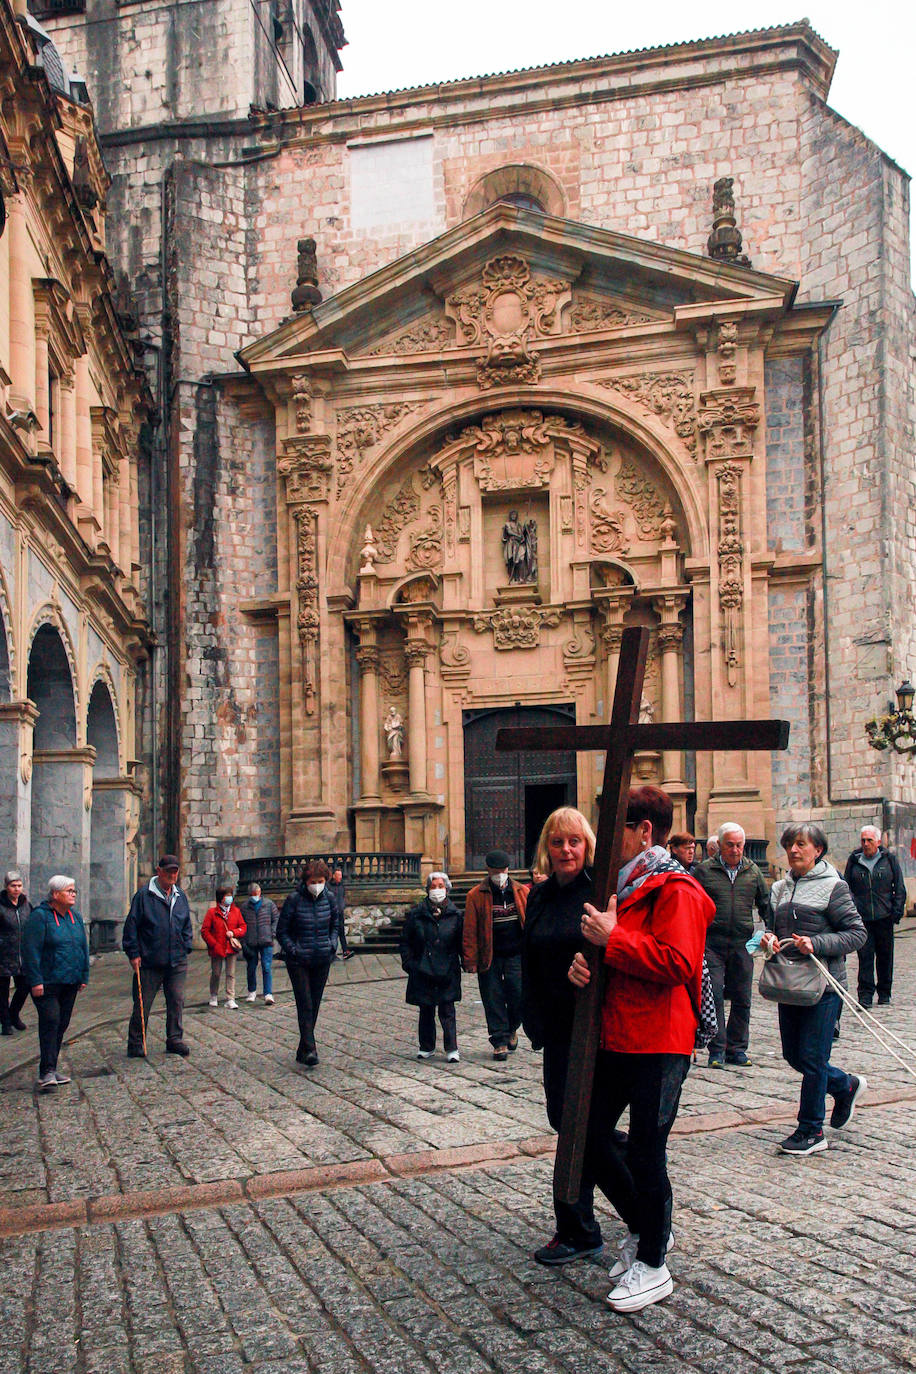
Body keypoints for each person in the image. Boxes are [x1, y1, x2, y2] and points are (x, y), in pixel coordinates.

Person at [563, 787, 715, 1313]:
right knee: (586, 1133)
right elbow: (615, 954)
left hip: (660, 1040)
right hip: (618, 1035)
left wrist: (614, 942)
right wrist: (586, 969)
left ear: (644, 830)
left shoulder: (678, 889)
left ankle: (654, 1264)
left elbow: (679, 963)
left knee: (649, 1151)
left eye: (614, 828)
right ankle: (648, 1227)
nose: (604, 840)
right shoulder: (623, 887)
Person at [762, 822, 867, 1156]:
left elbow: (856, 933)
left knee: (813, 1057)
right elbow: (766, 931)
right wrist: (766, 940)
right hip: (789, 984)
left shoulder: (834, 886)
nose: (793, 850)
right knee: (795, 1056)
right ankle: (844, 1085)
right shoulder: (778, 888)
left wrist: (817, 942)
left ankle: (811, 1130)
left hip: (824, 986)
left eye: (801, 844)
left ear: (817, 850)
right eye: (790, 844)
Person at [694, 822, 769, 1068]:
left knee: (742, 997)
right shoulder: (704, 872)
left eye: (739, 845)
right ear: (720, 845)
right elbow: (692, 904)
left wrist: (772, 933)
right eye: (730, 845)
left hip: (742, 944)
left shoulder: (753, 871)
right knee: (714, 995)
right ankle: (717, 1049)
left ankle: (737, 1048)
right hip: (712, 943)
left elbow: (766, 905)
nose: (735, 850)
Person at [21, 875, 89, 1092]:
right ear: (55, 894)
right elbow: (30, 951)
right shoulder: (40, 918)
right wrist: (35, 980)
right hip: (47, 982)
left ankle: (51, 1066)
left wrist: (83, 975)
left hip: (70, 980)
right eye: (69, 890)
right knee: (50, 1021)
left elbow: (82, 947)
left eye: (74, 890)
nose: (73, 894)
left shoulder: (75, 917)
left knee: (62, 1023)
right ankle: (46, 1072)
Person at [123, 855, 194, 1058]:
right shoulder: (144, 896)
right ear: (159, 871)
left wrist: (186, 945)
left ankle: (174, 1038)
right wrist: (133, 953)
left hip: (177, 959)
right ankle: (136, 1041)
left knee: (177, 1000)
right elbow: (131, 927)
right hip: (150, 960)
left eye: (175, 871)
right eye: (169, 871)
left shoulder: (180, 895)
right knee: (143, 1002)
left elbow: (186, 924)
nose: (173, 875)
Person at [463, 849, 528, 1060]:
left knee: (519, 996)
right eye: (496, 871)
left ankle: (512, 1027)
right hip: (490, 955)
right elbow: (470, 929)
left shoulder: (521, 892)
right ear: (488, 870)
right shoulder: (475, 895)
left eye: (503, 870)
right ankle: (499, 1040)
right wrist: (470, 959)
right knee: (493, 998)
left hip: (517, 955)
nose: (500, 874)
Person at [277, 859, 339, 1066]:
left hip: (322, 957)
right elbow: (282, 931)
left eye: (320, 881)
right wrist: (293, 950)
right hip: (299, 960)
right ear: (306, 881)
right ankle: (311, 1049)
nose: (317, 884)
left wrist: (332, 944)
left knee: (315, 1002)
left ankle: (302, 1048)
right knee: (304, 1003)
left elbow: (335, 924)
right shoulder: (294, 899)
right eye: (313, 881)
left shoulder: (329, 898)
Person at [400, 872, 463, 1062]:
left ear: (447, 888)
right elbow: (405, 942)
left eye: (440, 886)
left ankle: (451, 1048)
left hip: (447, 968)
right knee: (426, 1009)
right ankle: (426, 1046)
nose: (437, 890)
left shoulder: (456, 914)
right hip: (423, 968)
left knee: (447, 1009)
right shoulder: (416, 914)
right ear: (427, 889)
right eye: (433, 886)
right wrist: (410, 964)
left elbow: (461, 941)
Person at [843, 825, 905, 1007]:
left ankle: (884, 993)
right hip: (862, 919)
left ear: (878, 842)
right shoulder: (854, 860)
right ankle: (865, 995)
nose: (866, 844)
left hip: (884, 916)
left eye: (869, 840)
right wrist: (852, 910)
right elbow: (846, 887)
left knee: (885, 956)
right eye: (863, 840)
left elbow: (899, 887)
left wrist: (896, 911)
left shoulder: (889, 859)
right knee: (865, 957)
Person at [201, 885, 246, 1009]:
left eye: (231, 896)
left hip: (231, 948)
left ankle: (230, 998)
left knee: (231, 974)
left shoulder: (236, 911)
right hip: (217, 948)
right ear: (221, 898)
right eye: (227, 896)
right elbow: (205, 931)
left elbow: (243, 927)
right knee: (216, 973)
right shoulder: (212, 912)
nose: (229, 899)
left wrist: (234, 933)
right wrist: (214, 944)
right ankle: (213, 995)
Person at [0, 870, 31, 1034]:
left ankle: (14, 1014)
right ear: (6, 887)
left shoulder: (26, 905)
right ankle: (5, 1023)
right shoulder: (1, 905)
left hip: (23, 956)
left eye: (19, 886)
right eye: (13, 886)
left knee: (25, 986)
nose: (17, 889)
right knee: (2, 993)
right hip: (3, 955)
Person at [241, 882, 279, 1003]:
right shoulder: (245, 907)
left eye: (256, 893)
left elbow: (276, 919)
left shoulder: (269, 904)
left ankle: (268, 993)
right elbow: (241, 923)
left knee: (266, 966)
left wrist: (272, 933)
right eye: (253, 894)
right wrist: (244, 940)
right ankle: (252, 991)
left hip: (266, 940)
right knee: (251, 968)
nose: (255, 895)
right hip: (251, 941)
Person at [328, 866, 353, 960]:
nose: (340, 877)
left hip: (340, 912)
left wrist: (342, 906)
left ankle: (345, 951)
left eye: (341, 875)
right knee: (332, 933)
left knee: (341, 931)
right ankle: (331, 953)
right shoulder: (328, 886)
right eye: (338, 875)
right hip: (331, 913)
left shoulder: (342, 886)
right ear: (334, 876)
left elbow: (342, 897)